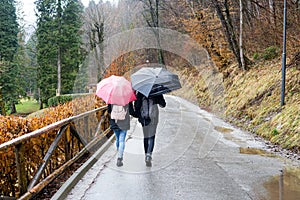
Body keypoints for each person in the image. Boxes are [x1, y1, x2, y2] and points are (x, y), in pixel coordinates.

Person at [134, 92, 166, 167]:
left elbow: (137, 106)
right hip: (154, 118)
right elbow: (163, 104)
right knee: (152, 137)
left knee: (146, 137)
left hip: (144, 118)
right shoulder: (157, 91)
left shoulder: (141, 92)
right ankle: (149, 155)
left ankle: (146, 155)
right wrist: (158, 100)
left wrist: (139, 117)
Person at [108, 102, 136, 167]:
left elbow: (109, 110)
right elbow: (131, 111)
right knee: (122, 140)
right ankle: (119, 157)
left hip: (114, 122)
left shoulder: (111, 98)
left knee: (117, 139)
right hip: (124, 122)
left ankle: (119, 152)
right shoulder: (127, 98)